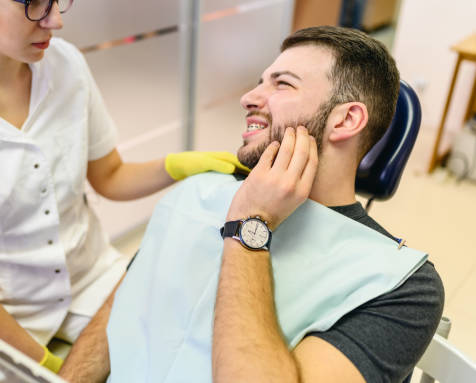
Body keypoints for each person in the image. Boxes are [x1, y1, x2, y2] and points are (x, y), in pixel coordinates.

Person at [0, 0, 247, 373]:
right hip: (4, 323)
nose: (55, 20)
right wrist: (38, 362)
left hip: (99, 284)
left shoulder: (64, 64)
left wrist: (178, 166)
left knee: (196, 357)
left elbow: (110, 176)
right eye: (32, 1)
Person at [58, 26, 444, 383]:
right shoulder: (199, 192)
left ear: (346, 120)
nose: (249, 97)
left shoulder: (403, 287)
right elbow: (118, 311)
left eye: (282, 84)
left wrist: (250, 225)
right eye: (260, 81)